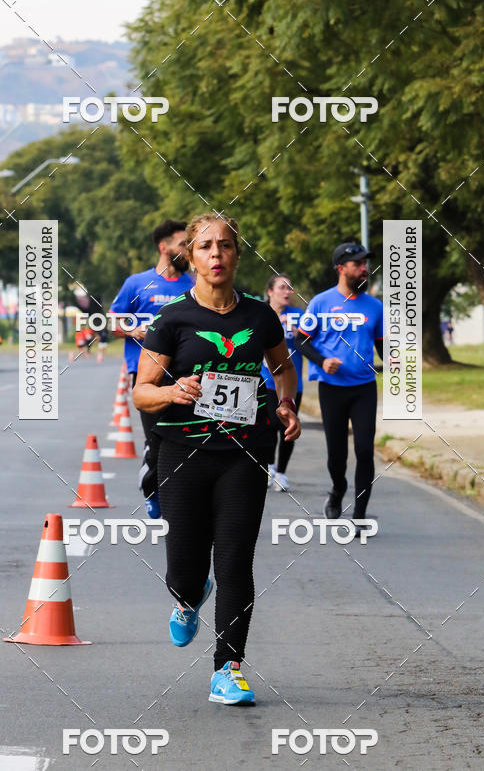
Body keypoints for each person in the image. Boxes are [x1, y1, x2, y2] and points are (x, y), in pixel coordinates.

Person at [133, 212, 300, 706]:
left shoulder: (258, 315)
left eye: (225, 246)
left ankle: (228, 667)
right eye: (205, 247)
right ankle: (187, 596)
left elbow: (283, 365)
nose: (216, 255)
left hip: (245, 452)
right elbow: (141, 393)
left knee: (234, 562)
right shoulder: (173, 320)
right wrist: (172, 391)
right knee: (185, 563)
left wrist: (287, 403)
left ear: (236, 254)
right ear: (192, 257)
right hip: (183, 451)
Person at [295, 243, 383, 533]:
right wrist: (322, 361)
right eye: (358, 264)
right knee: (337, 455)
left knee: (364, 450)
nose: (364, 269)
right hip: (332, 389)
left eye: (365, 263)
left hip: (364, 388)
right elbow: (301, 340)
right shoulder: (321, 303)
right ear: (341, 268)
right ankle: (337, 490)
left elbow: (382, 344)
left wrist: (393, 358)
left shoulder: (374, 306)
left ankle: (359, 514)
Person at [110, 220, 192, 518]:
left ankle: (181, 498)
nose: (189, 250)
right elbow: (111, 321)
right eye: (184, 244)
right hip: (148, 374)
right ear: (164, 247)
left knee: (186, 437)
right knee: (157, 438)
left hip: (188, 373)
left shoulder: (196, 284)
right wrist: (137, 331)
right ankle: (152, 488)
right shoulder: (137, 283)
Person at [261, 274, 304, 492]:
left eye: (290, 288)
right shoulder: (260, 313)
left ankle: (282, 473)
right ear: (270, 291)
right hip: (266, 381)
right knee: (268, 427)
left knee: (287, 427)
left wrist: (298, 334)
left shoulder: (299, 316)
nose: (288, 292)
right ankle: (269, 466)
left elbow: (310, 343)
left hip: (292, 382)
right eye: (282, 288)